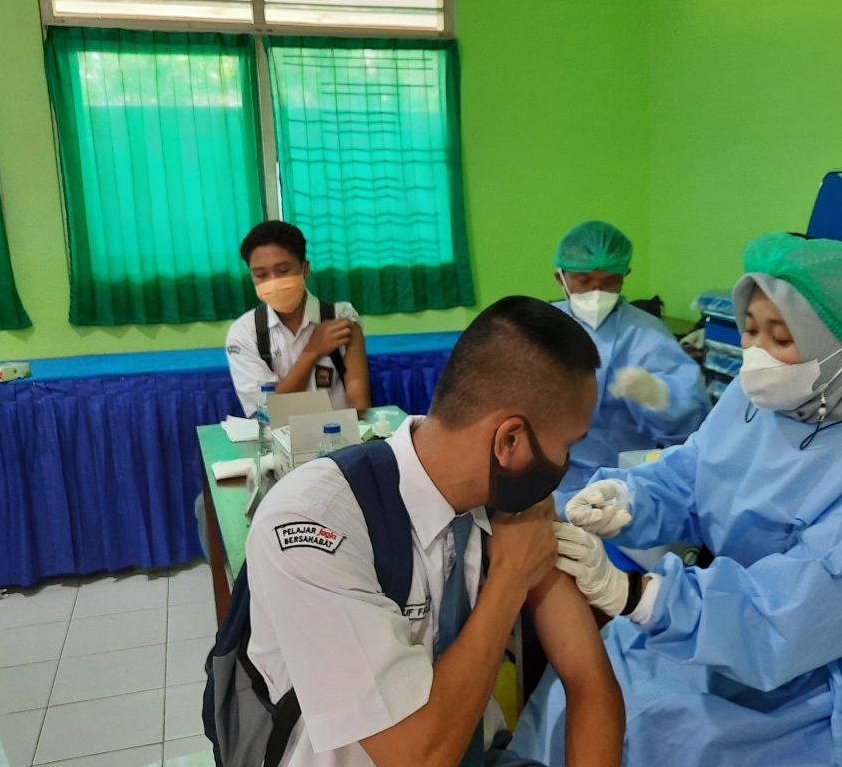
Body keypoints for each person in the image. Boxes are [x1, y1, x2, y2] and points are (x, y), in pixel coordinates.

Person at [513, 232, 842, 767]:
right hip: (722, 620)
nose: (757, 354)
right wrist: (630, 496)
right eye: (749, 331)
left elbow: (789, 619)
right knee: (584, 681)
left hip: (809, 667)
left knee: (654, 727)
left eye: (781, 337)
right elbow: (696, 472)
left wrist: (638, 595)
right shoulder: (757, 399)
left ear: (835, 344)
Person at [244, 296, 626, 766]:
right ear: (509, 440)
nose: (564, 468)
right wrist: (509, 578)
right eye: (566, 446)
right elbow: (417, 758)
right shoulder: (317, 522)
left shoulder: (512, 504)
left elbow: (591, 681)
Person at [551, 220, 710, 511]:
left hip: (621, 481)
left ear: (626, 275)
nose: (596, 292)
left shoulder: (646, 333)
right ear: (560, 278)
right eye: (583, 281)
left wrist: (660, 396)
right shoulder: (539, 327)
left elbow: (693, 422)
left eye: (610, 281)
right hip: (547, 479)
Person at [226, 220, 371, 415]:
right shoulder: (244, 333)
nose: (273, 282)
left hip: (339, 437)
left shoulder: (340, 318)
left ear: (305, 268)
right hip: (276, 440)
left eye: (283, 270)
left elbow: (360, 405)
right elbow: (267, 413)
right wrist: (312, 351)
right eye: (261, 274)